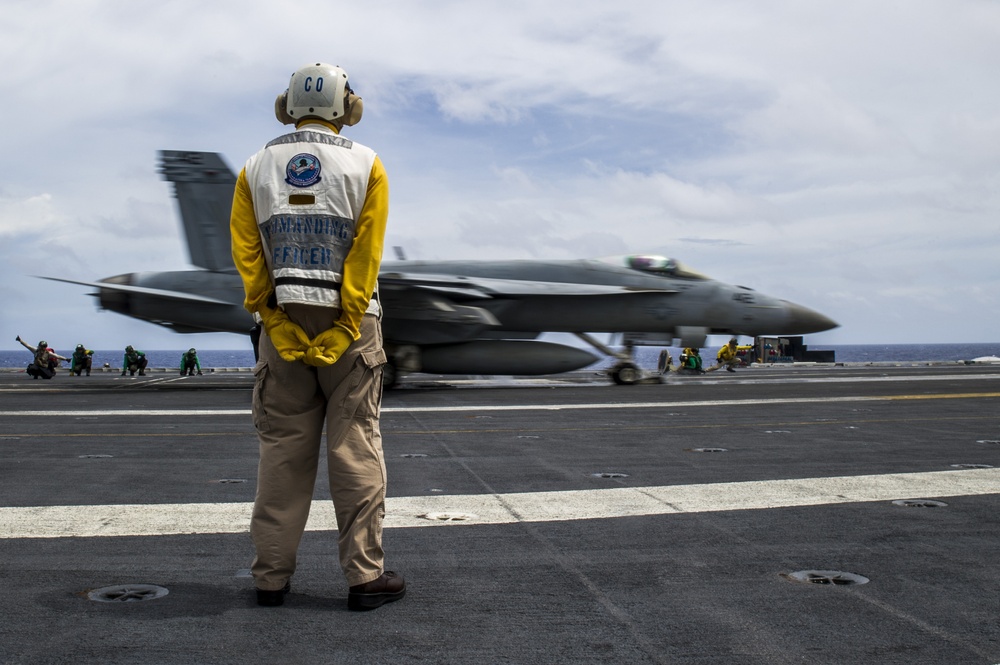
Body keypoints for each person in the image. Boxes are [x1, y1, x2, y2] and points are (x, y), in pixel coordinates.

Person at [230, 61, 403, 610]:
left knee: (282, 453)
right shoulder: (368, 165)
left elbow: (247, 255)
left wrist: (274, 318)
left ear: (290, 103)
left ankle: (270, 580)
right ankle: (363, 578)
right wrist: (348, 322)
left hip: (279, 325)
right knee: (354, 448)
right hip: (348, 328)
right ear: (345, 106)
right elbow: (366, 255)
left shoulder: (255, 166)